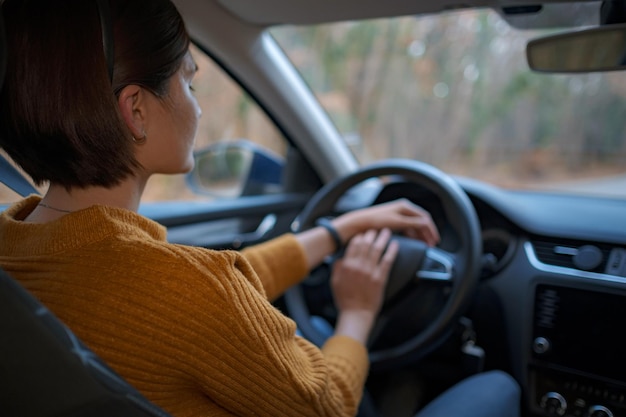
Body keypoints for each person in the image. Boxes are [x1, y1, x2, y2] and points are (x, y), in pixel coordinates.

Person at [0, 0, 519, 416]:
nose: (197, 104)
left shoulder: (14, 248)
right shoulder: (184, 287)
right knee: (497, 388)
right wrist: (358, 313)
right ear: (136, 110)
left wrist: (338, 231)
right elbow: (326, 403)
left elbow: (219, 287)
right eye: (189, 81)